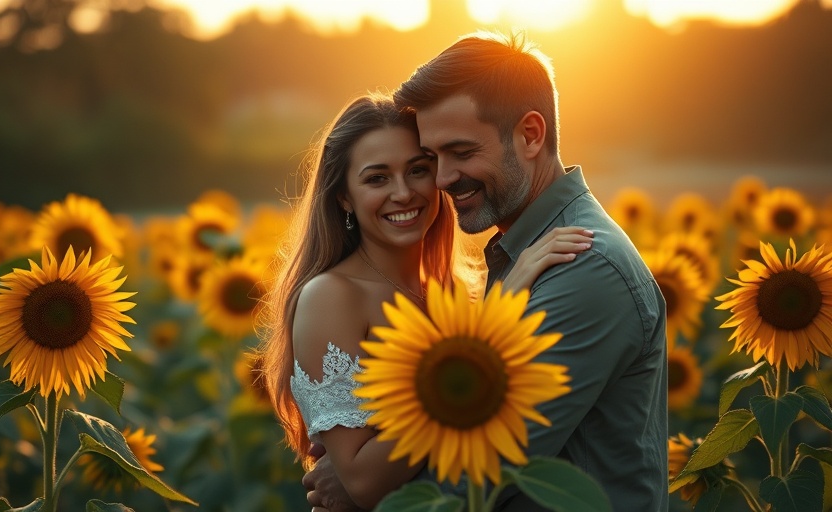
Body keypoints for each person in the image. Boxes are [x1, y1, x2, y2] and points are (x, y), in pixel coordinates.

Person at [302, 31, 669, 512]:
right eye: (432, 158)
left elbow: (476, 474)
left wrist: (360, 488)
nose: (441, 179)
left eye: (461, 152)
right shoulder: (520, 255)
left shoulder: (581, 268)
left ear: (531, 135)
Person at [256, 93, 594, 511]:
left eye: (418, 170)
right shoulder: (332, 296)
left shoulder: (453, 292)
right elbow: (361, 481)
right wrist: (484, 336)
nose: (403, 193)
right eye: (377, 178)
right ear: (344, 196)